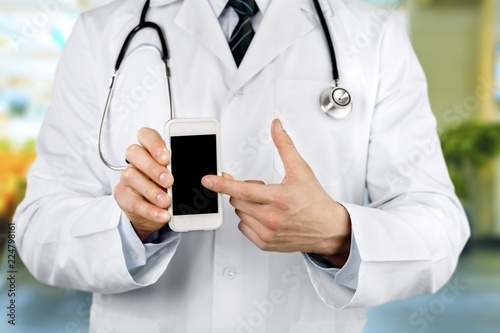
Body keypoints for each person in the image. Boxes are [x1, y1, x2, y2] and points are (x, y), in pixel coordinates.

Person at [14, 0, 470, 332]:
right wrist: (130, 227)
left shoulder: (373, 36)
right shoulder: (103, 34)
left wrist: (337, 232)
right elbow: (37, 231)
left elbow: (440, 229)